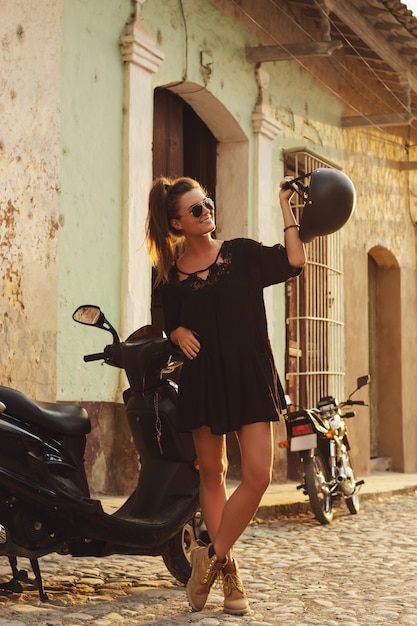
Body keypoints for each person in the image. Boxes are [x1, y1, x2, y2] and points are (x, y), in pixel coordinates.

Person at [145, 175, 306, 615]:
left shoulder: (241, 253)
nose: (207, 211)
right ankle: (229, 575)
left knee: (258, 476)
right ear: (178, 223)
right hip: (203, 379)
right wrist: (176, 331)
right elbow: (163, 322)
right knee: (212, 474)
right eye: (196, 209)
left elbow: (294, 261)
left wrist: (286, 208)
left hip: (250, 374)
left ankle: (209, 559)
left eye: (208, 203)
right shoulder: (168, 278)